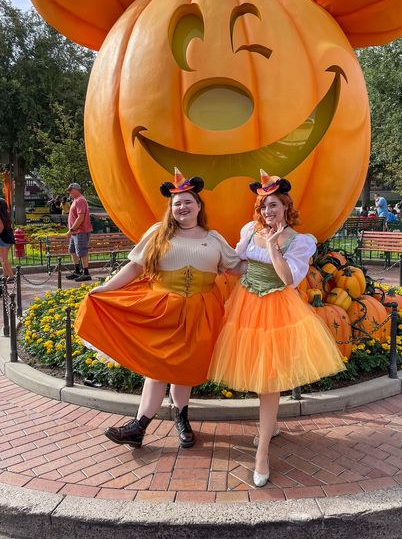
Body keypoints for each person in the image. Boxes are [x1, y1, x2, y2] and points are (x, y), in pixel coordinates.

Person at [74, 168, 242, 450]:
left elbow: (236, 267)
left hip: (201, 312)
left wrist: (269, 262)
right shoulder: (158, 233)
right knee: (157, 369)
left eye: (188, 201)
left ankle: (180, 419)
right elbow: (135, 266)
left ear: (199, 206)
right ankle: (139, 426)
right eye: (177, 203)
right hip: (162, 309)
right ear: (171, 208)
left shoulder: (214, 238)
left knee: (185, 370)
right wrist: (106, 288)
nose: (182, 207)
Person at [208, 170, 346, 487]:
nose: (268, 212)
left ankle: (262, 454)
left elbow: (288, 280)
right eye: (263, 206)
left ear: (285, 206)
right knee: (259, 377)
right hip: (246, 306)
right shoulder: (248, 230)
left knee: (269, 379)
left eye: (273, 205)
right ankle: (270, 426)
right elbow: (236, 262)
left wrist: (272, 248)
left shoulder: (300, 241)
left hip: (277, 310)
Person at [65, 183, 93, 282]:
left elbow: (80, 217)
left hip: (80, 231)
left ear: (76, 190)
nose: (69, 192)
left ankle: (86, 273)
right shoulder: (75, 200)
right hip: (75, 232)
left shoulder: (80, 200)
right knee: (72, 251)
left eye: (70, 190)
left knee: (82, 252)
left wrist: (71, 230)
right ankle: (77, 271)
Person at [0, 198, 15, 282]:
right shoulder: (6, 214)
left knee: (3, 259)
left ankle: (11, 276)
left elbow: (0, 227)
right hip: (8, 237)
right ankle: (5, 274)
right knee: (2, 258)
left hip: (3, 238)